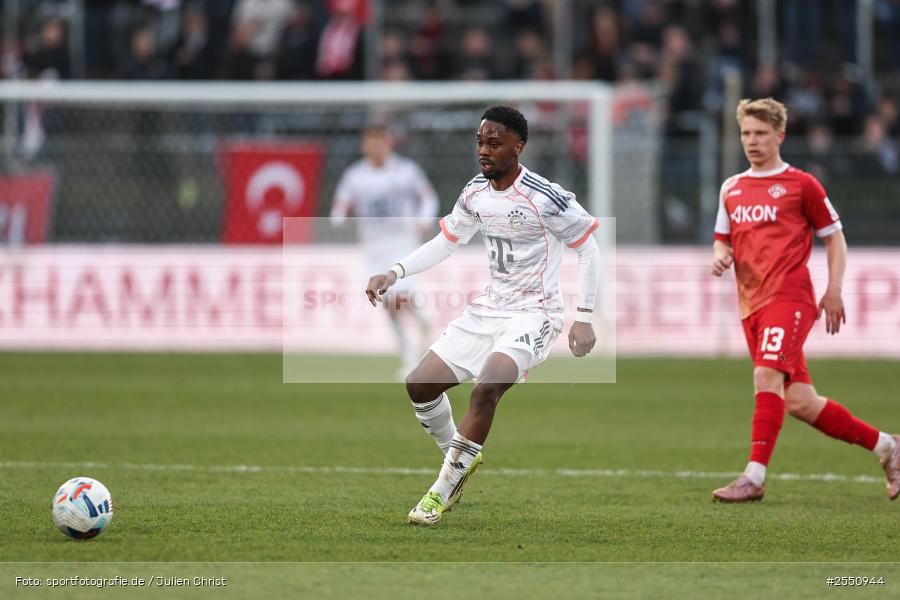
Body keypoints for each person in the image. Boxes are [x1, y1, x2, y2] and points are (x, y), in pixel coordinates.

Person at [365, 105, 601, 526]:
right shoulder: (475, 191)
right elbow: (445, 242)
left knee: (486, 388)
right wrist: (395, 272)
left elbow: (588, 247)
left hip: (535, 314)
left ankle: (440, 490)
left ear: (518, 146)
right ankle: (459, 459)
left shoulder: (544, 196)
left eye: (494, 143)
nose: (483, 150)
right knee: (419, 385)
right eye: (479, 142)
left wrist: (584, 315)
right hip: (489, 308)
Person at [710, 97, 900, 503]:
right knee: (799, 401)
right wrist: (720, 255)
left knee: (765, 378)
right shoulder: (732, 188)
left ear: (780, 135)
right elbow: (722, 238)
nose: (752, 141)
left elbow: (834, 237)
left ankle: (754, 476)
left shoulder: (801, 184)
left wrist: (833, 289)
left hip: (790, 297)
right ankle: (889, 447)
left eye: (761, 133)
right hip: (751, 304)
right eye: (746, 133)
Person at [332, 123, 438, 378]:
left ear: (388, 143)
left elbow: (428, 197)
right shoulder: (355, 175)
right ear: (364, 145)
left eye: (380, 141)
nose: (376, 146)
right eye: (371, 141)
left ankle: (423, 334)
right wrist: (340, 218)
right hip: (374, 249)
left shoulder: (406, 171)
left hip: (403, 244)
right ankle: (411, 355)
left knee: (400, 299)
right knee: (389, 303)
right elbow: (340, 206)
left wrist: (425, 219)